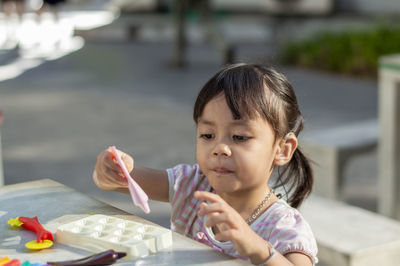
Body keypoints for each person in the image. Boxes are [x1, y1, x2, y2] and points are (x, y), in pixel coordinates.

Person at [93, 64, 318, 265]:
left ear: (282, 149)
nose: (219, 148)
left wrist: (255, 246)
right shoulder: (193, 186)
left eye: (239, 137)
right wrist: (111, 170)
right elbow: (116, 184)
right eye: (208, 135)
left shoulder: (284, 228)